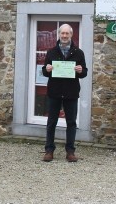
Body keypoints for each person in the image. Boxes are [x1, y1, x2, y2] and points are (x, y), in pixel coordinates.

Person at [41, 23, 87, 162]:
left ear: (71, 35)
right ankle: (49, 150)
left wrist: (81, 70)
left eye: (67, 33)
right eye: (62, 33)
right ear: (59, 34)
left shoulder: (78, 52)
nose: (65, 36)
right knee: (51, 122)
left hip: (71, 92)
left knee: (71, 123)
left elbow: (84, 72)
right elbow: (44, 71)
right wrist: (46, 69)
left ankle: (70, 151)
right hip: (54, 92)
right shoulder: (51, 52)